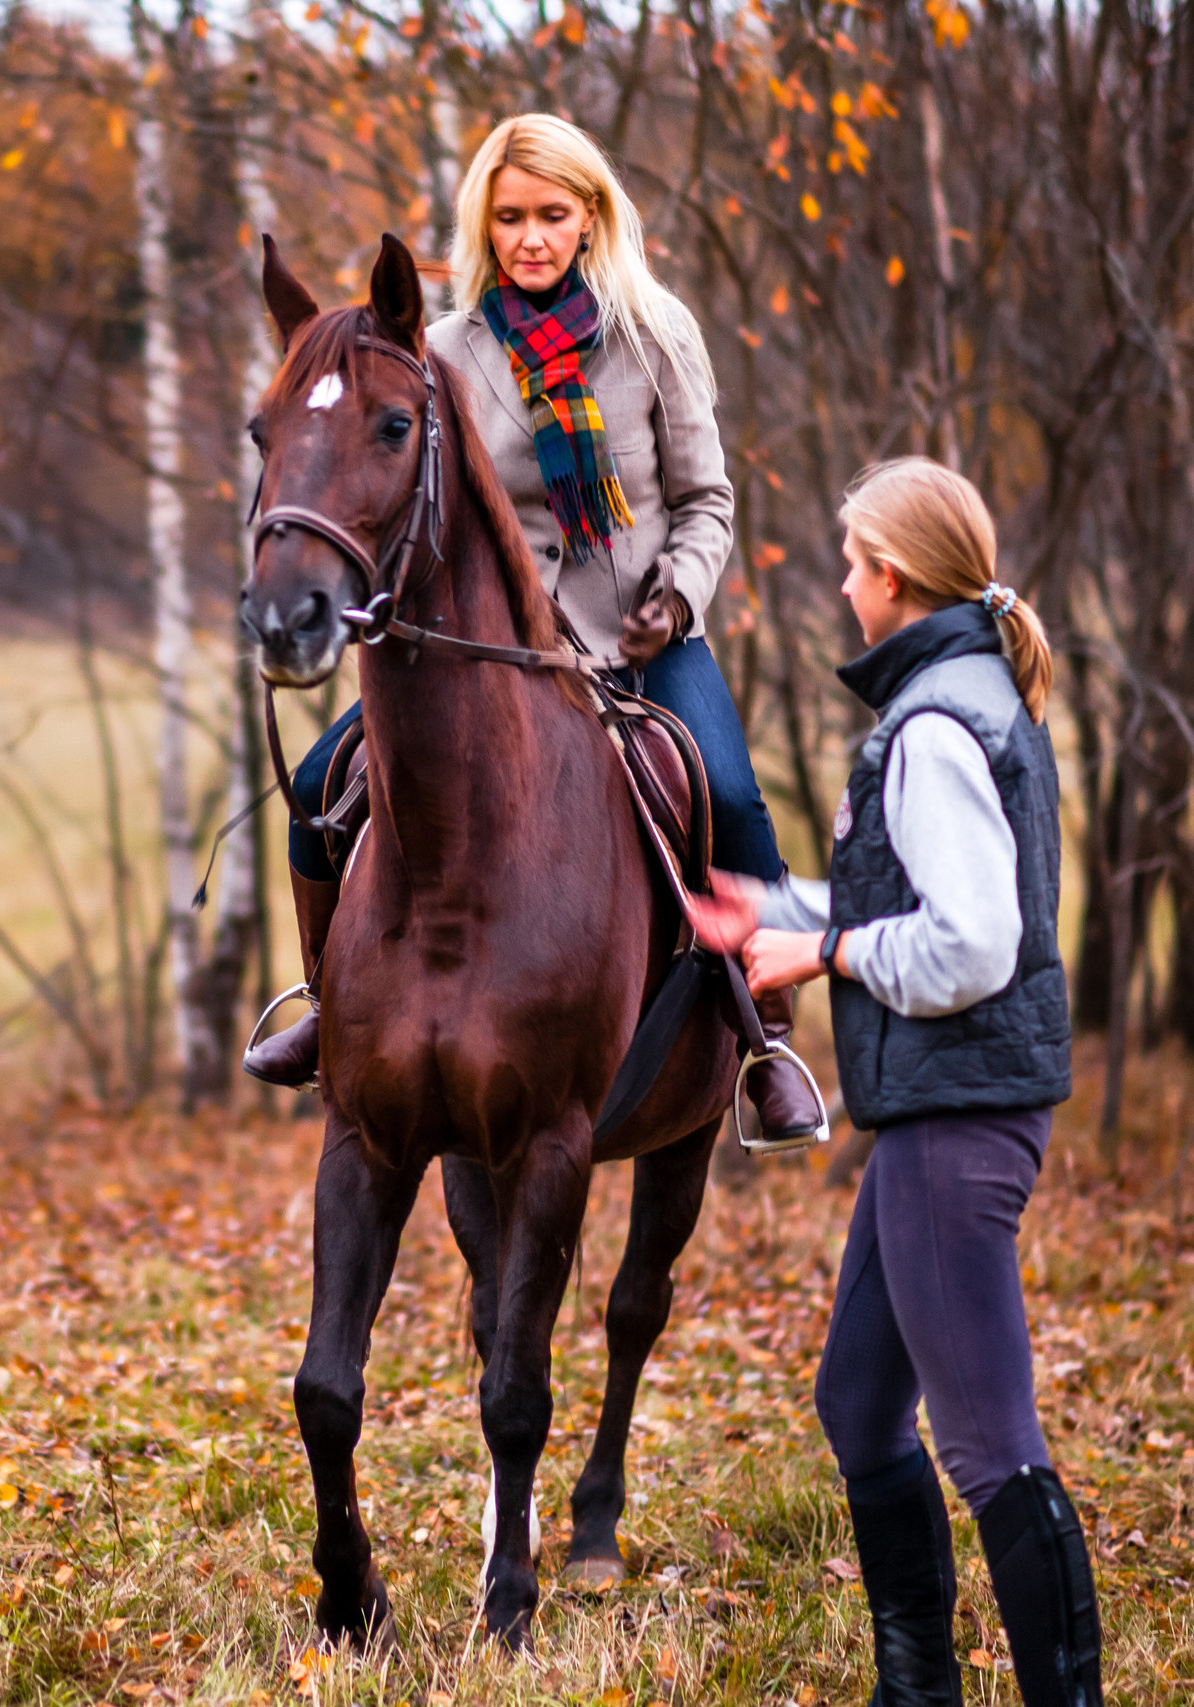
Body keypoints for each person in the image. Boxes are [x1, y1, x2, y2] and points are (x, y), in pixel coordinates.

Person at [243, 112, 823, 1146]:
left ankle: (766, 1040)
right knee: (318, 796)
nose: (531, 238)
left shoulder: (657, 334)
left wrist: (676, 599)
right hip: (497, 658)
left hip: (640, 645)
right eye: (509, 217)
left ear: (592, 217)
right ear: (486, 224)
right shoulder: (446, 350)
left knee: (731, 796)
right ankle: (330, 1007)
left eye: (553, 214)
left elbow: (707, 502)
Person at [691, 457, 1101, 1707]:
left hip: (957, 1117)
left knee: (989, 1449)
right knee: (860, 1404)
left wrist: (821, 950)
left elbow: (972, 947)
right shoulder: (966, 694)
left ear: (894, 579)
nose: (839, 582)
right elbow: (917, 904)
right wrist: (774, 906)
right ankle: (915, 1692)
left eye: (851, 561)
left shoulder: (930, 727)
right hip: (942, 1107)